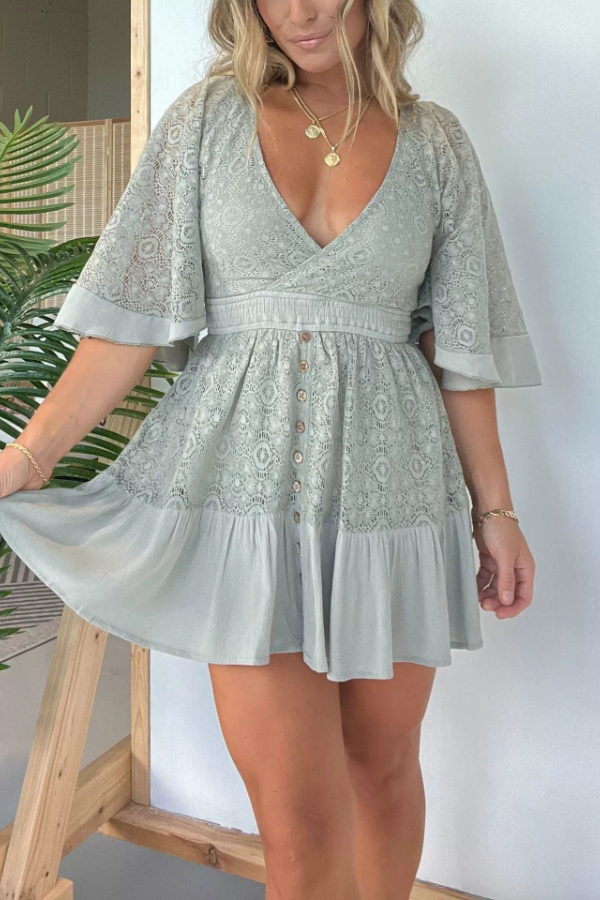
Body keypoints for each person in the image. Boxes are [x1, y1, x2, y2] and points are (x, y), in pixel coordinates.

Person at [0, 0, 543, 896]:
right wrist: (30, 456)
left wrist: (498, 512)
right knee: (298, 824)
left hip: (393, 500)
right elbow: (128, 324)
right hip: (243, 506)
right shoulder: (205, 122)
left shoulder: (437, 145)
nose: (298, 11)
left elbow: (459, 353)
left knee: (383, 768)